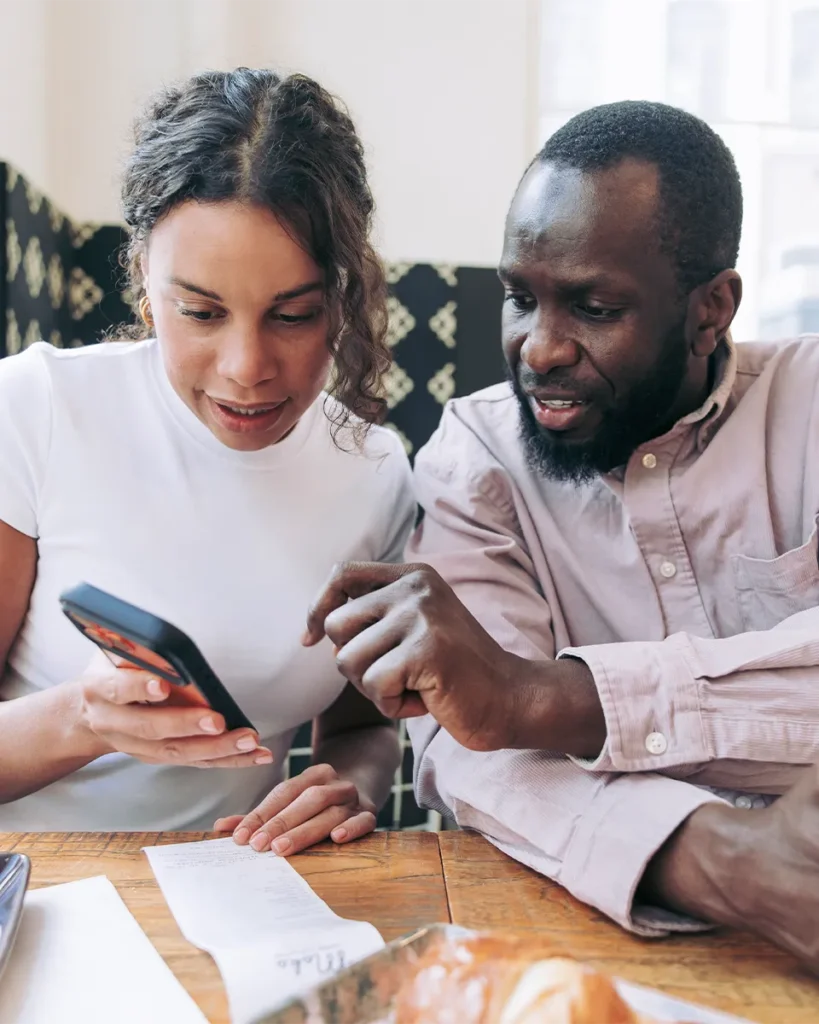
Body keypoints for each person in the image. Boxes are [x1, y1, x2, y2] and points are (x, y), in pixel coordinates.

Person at [304, 101, 819, 971]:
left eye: (591, 305)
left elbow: (505, 716)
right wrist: (727, 863)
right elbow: (469, 752)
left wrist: (546, 699)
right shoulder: (477, 460)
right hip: (590, 941)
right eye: (518, 298)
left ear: (709, 310)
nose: (537, 349)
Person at [0, 67, 415, 852]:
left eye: (293, 315)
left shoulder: (375, 472)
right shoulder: (37, 410)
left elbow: (359, 725)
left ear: (343, 297)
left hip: (238, 898)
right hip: (28, 888)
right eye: (201, 313)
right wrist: (81, 719)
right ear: (144, 285)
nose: (246, 367)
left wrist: (345, 785)